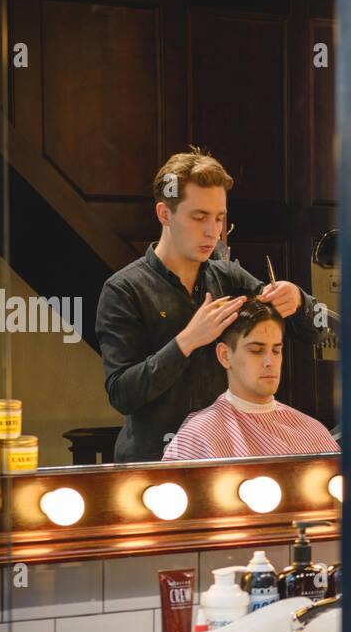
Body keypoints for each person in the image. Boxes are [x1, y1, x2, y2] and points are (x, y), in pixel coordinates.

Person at [96, 149, 324, 462]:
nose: (212, 232)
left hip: (226, 459)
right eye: (199, 217)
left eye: (219, 219)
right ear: (165, 214)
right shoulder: (124, 290)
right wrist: (186, 341)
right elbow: (122, 394)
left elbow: (317, 333)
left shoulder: (229, 277)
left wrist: (298, 300)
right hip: (154, 466)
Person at [163, 300, 338, 459]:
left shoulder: (312, 430)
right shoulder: (198, 437)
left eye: (276, 351)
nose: (270, 362)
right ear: (224, 355)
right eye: (256, 350)